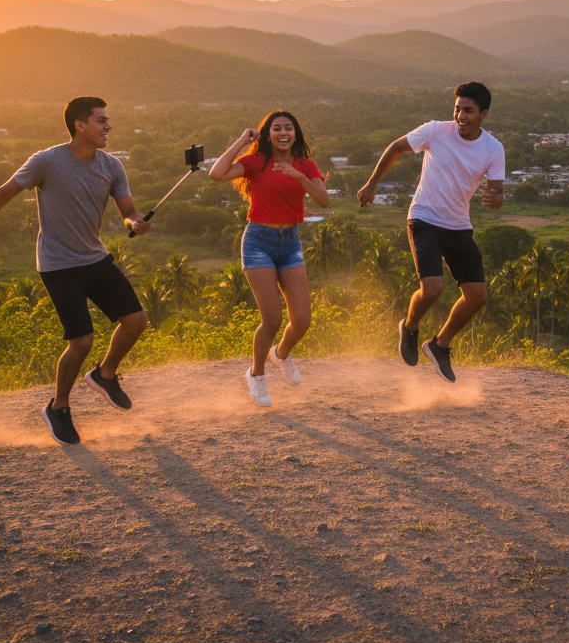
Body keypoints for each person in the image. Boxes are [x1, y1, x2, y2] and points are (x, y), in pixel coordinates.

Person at [0, 97, 151, 446]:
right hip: (58, 265)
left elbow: (127, 209)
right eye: (101, 120)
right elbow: (3, 194)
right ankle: (58, 407)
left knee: (136, 321)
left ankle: (105, 374)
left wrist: (135, 221)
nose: (108, 126)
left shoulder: (112, 166)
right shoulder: (46, 161)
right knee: (81, 341)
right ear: (80, 126)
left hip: (95, 259)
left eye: (108, 120)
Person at [358, 81, 505, 383]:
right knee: (433, 289)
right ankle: (410, 327)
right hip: (424, 218)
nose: (460, 116)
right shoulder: (436, 131)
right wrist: (372, 183)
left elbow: (496, 196)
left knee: (477, 296)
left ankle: (440, 345)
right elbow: (396, 147)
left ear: (484, 114)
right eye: (457, 109)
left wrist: (495, 200)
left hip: (458, 225)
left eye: (468, 111)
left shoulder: (493, 148)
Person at [209, 110, 329, 407]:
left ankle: (281, 354)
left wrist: (299, 176)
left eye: (289, 128)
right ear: (268, 135)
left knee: (301, 320)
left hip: (290, 242)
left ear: (296, 134)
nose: (283, 132)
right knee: (272, 319)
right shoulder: (257, 162)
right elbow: (217, 174)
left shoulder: (306, 165)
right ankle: (257, 374)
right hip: (258, 243)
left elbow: (324, 200)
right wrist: (241, 141)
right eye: (276, 129)